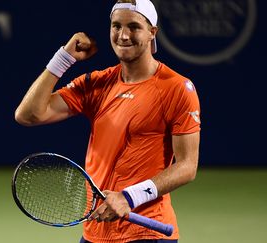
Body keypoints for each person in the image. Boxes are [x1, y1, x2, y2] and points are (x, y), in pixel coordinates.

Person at [15, 0, 201, 242]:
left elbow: (187, 166)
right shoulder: (97, 83)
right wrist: (63, 58)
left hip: (148, 233)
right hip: (95, 231)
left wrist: (129, 197)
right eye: (116, 26)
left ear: (152, 32)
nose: (123, 35)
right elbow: (28, 114)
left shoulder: (177, 88)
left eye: (134, 27)